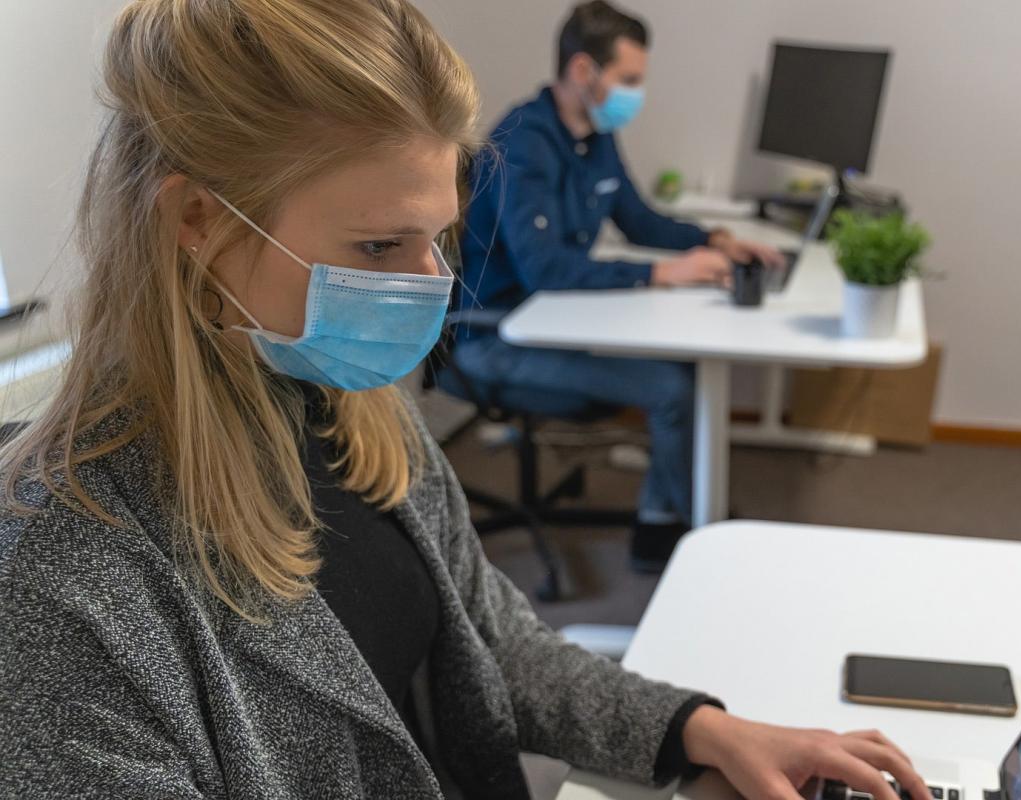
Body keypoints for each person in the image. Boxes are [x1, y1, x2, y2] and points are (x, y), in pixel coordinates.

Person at [0, 2, 931, 799]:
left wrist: (697, 729)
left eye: (439, 240)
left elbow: (491, 644)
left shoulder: (349, 403)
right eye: (378, 249)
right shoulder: (60, 584)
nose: (430, 286)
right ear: (196, 220)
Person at [457, 0, 784, 573]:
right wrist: (662, 273)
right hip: (495, 338)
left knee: (681, 374)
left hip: (553, 324)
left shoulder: (591, 131)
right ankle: (679, 537)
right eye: (629, 80)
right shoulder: (523, 143)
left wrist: (715, 240)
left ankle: (666, 517)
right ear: (584, 72)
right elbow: (546, 270)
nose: (636, 94)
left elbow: (638, 219)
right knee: (673, 389)